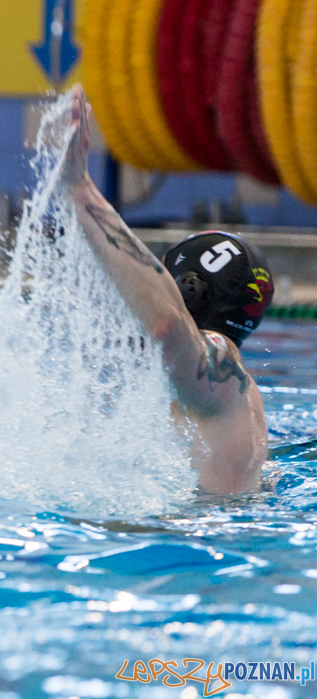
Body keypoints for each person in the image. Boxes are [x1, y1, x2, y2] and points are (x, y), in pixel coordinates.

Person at [59, 86, 273, 494]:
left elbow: (166, 323)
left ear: (187, 291)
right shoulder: (221, 399)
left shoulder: (220, 364)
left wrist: (80, 191)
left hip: (192, 550)